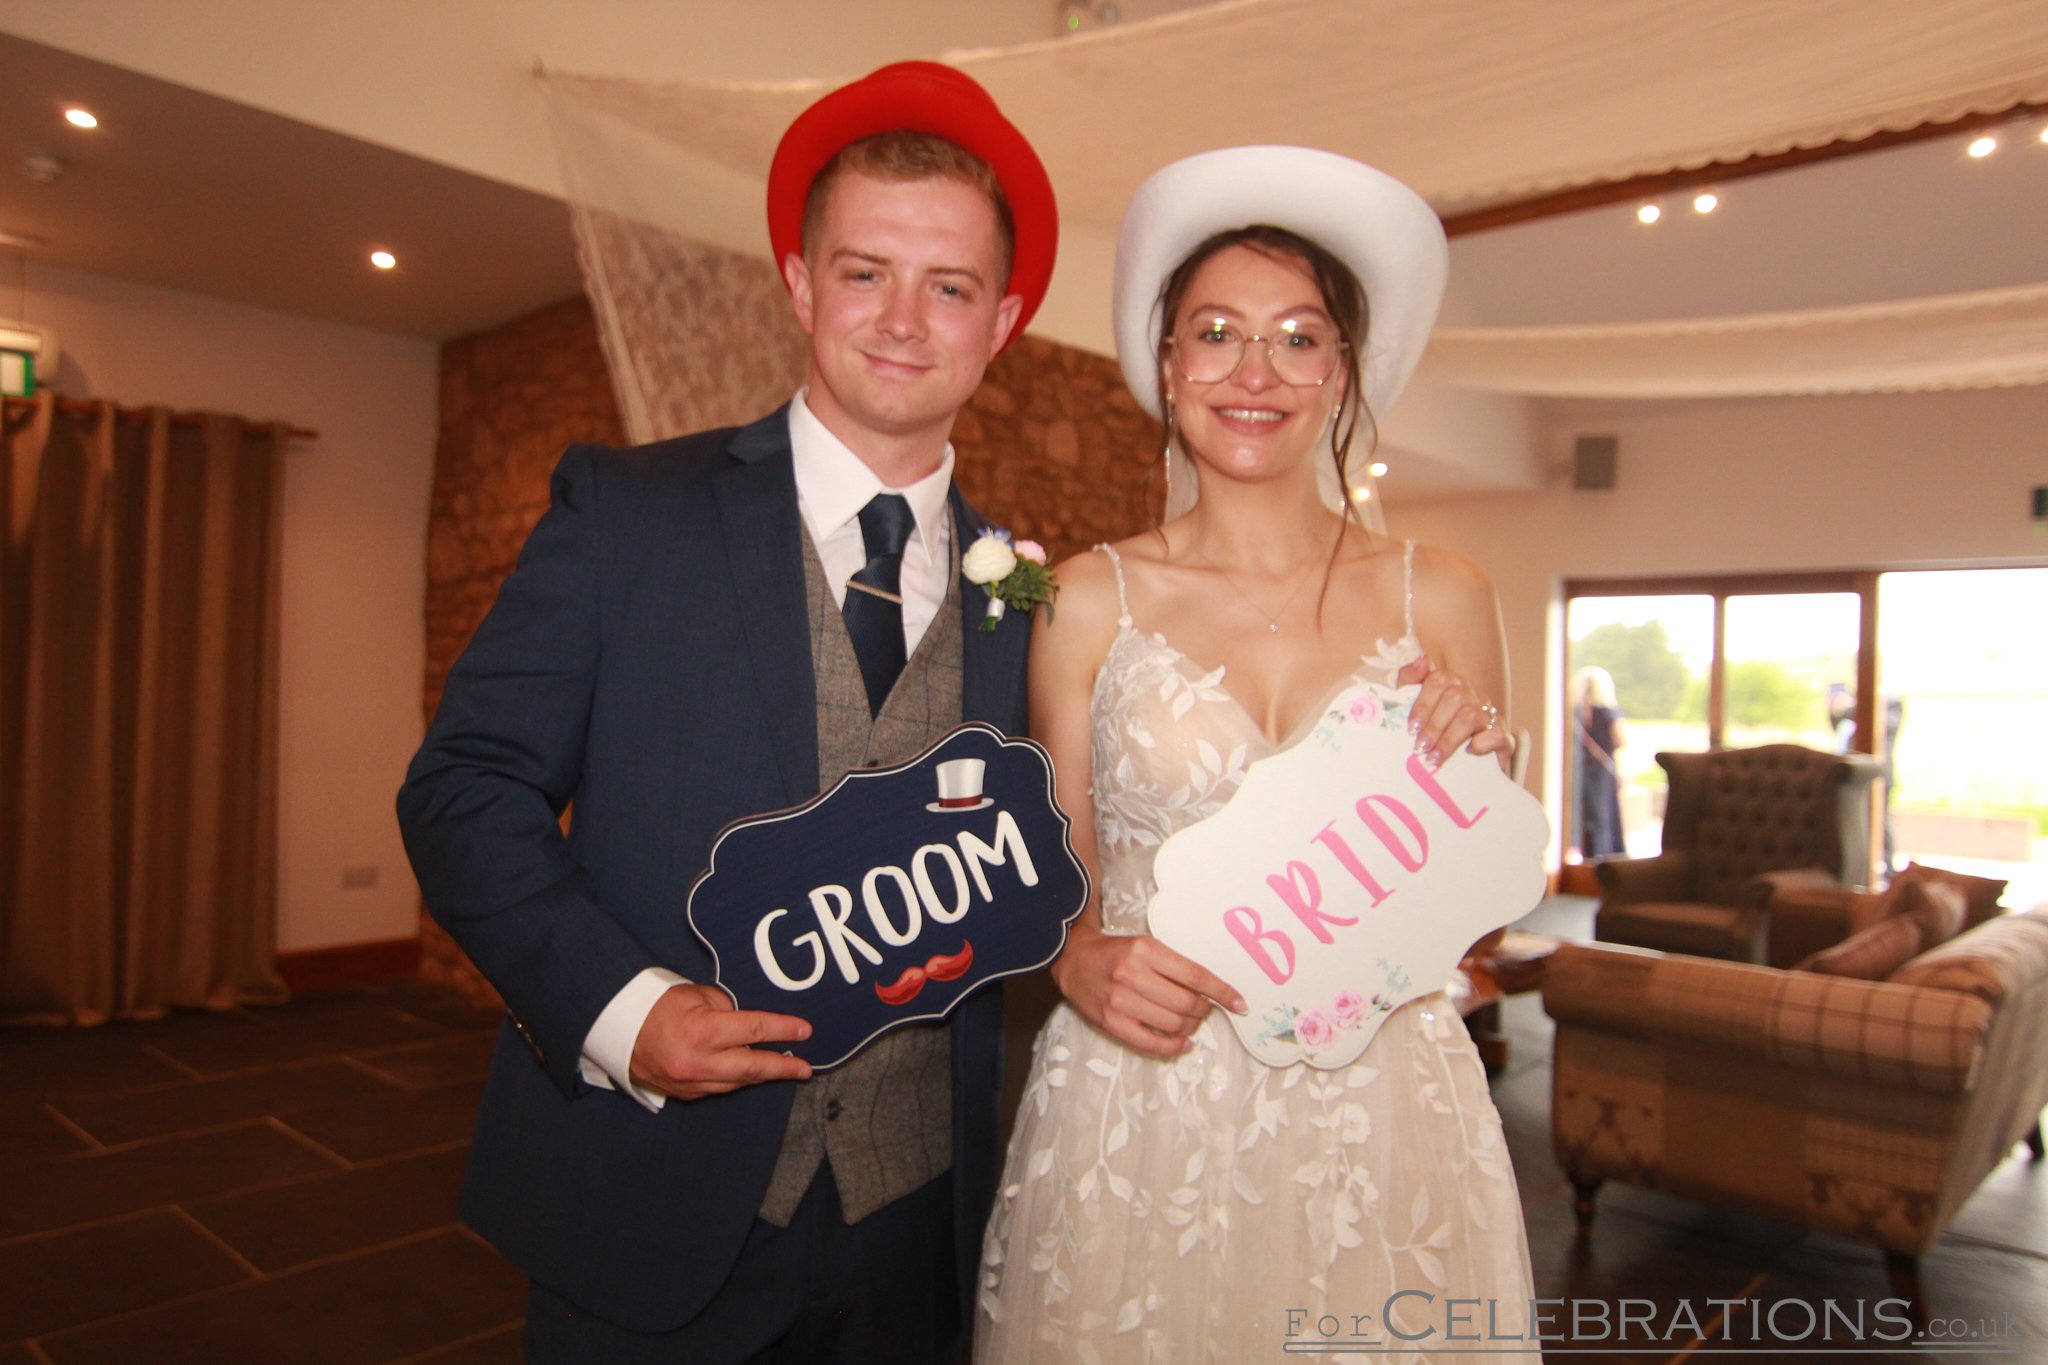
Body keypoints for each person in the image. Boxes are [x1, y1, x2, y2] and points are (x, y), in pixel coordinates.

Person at [397, 62, 1056, 1363]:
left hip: (922, 1237)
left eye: (951, 286)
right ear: (800, 284)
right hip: (653, 1208)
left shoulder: (1029, 596)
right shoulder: (624, 511)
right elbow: (463, 788)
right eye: (865, 271)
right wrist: (624, 1011)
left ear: (1004, 318)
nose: (904, 321)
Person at [976, 147, 1533, 1361]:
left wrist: (1481, 790)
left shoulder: (1440, 591)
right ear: (1165, 362)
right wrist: (1076, 963)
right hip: (1146, 1089)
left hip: (1383, 1104)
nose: (1253, 370)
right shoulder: (1083, 598)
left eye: (1297, 338)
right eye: (1216, 332)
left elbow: (1480, 930)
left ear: (1342, 373)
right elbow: (1049, 883)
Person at [1573, 664, 1627, 859]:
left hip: (1582, 768)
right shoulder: (1609, 713)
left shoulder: (1575, 713)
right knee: (1603, 814)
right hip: (1603, 770)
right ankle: (1603, 854)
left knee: (1586, 813)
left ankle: (1588, 853)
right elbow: (1620, 741)